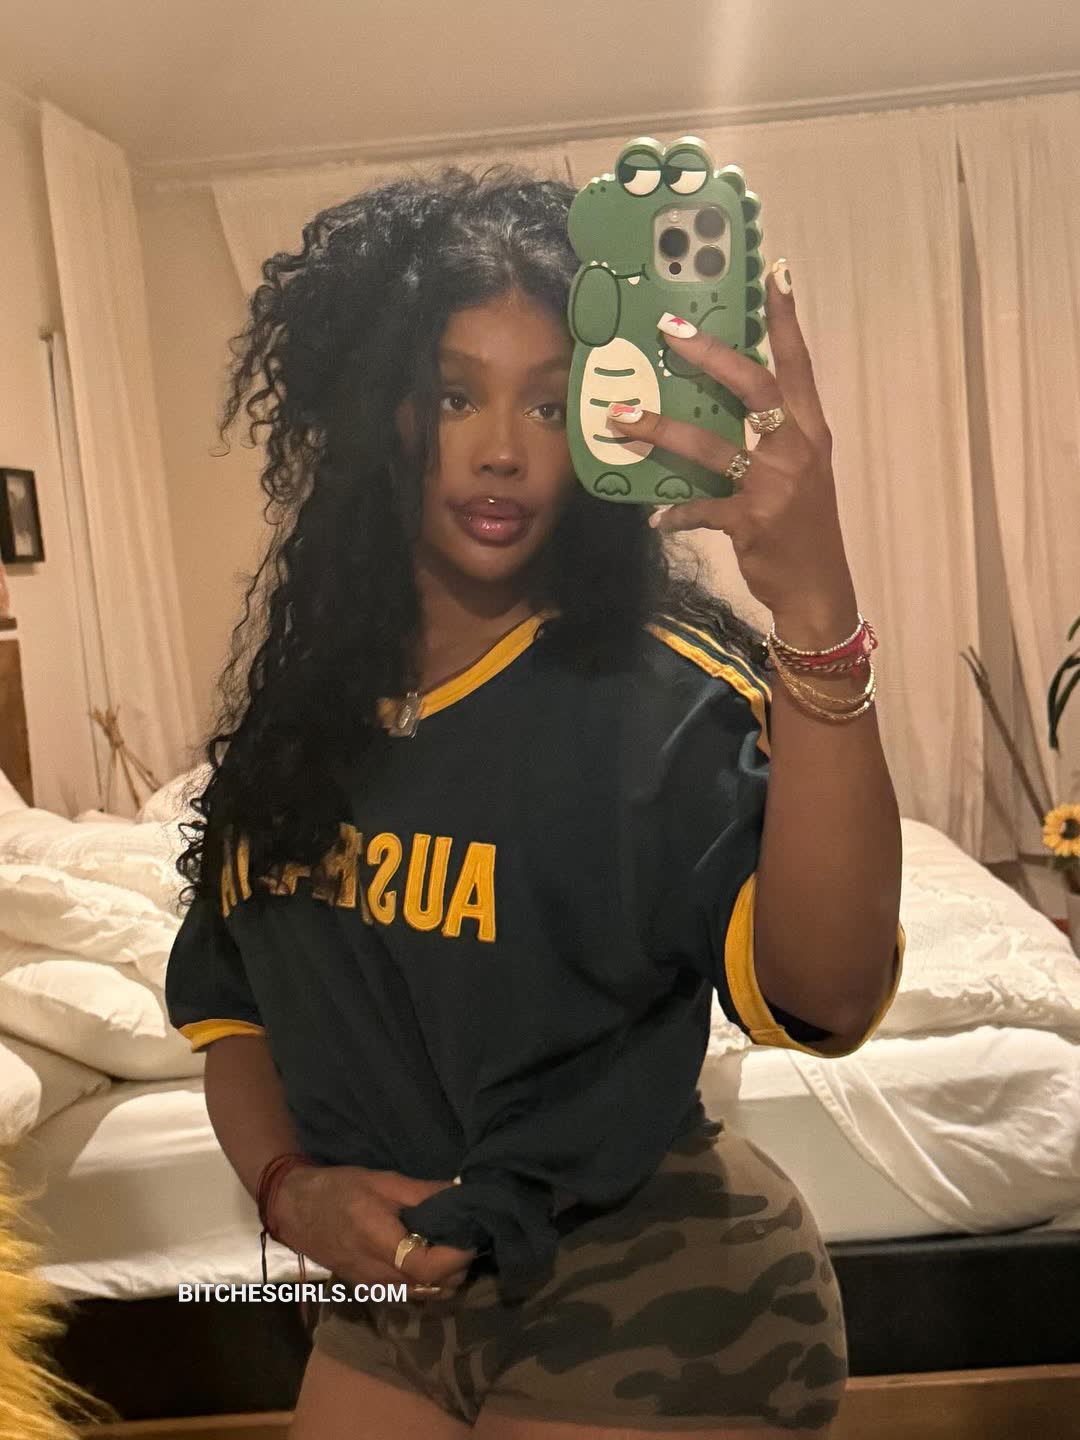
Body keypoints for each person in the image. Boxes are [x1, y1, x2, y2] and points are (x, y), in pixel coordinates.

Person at [165, 163, 905, 1439]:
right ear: (377, 409)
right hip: (395, 1303)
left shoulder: (654, 704)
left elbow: (829, 997)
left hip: (652, 1284)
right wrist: (288, 1189)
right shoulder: (303, 717)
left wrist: (816, 610)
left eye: (554, 404)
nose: (502, 449)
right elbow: (233, 1008)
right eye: (455, 393)